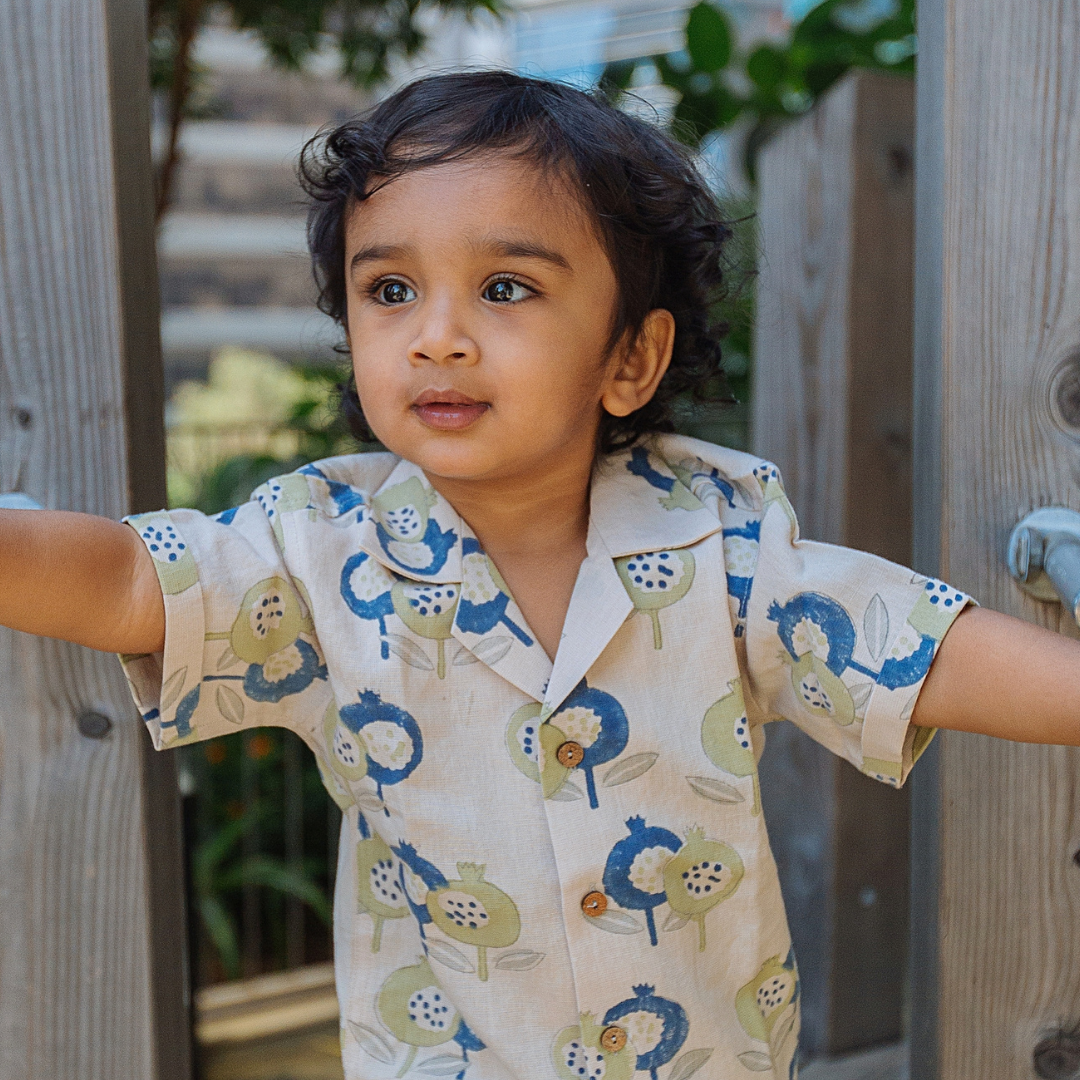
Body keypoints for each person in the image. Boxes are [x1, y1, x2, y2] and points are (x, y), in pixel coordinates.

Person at [1, 71, 1078, 1080]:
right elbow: (130, 584)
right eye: (389, 289)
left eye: (504, 286)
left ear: (630, 358)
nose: (437, 337)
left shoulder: (724, 550)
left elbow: (914, 645)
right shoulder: (317, 555)